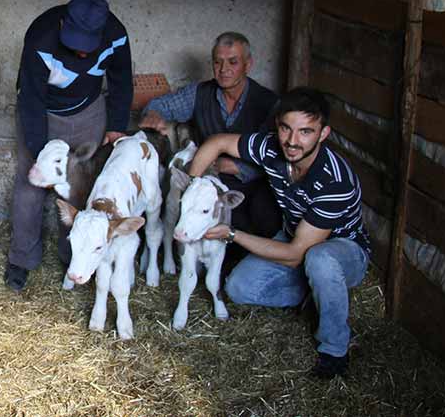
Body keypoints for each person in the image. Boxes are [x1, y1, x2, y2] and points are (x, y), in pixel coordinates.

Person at [188, 87, 370, 379]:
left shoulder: (335, 182)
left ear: (323, 134)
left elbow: (296, 254)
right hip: (296, 234)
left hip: (342, 249)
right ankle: (311, 296)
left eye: (305, 132)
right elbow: (218, 142)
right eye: (286, 128)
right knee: (238, 288)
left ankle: (334, 349)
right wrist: (193, 189)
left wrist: (231, 233)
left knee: (319, 261)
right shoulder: (272, 147)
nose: (292, 141)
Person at [4, 0, 133, 291]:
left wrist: (116, 127)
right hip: (43, 112)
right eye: (75, 43)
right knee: (30, 186)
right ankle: (22, 259)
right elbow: (31, 98)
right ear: (63, 23)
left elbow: (122, 79)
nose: (82, 53)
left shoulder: (115, 35)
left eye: (89, 46)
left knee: (81, 187)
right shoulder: (41, 35)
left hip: (88, 111)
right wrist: (40, 155)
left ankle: (73, 256)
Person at [139, 32, 280, 252]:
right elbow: (159, 105)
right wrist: (155, 114)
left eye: (233, 62)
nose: (224, 69)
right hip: (207, 182)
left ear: (248, 64)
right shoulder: (200, 93)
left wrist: (236, 167)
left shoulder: (268, 102)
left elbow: (275, 154)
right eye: (217, 62)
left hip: (250, 186)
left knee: (263, 219)